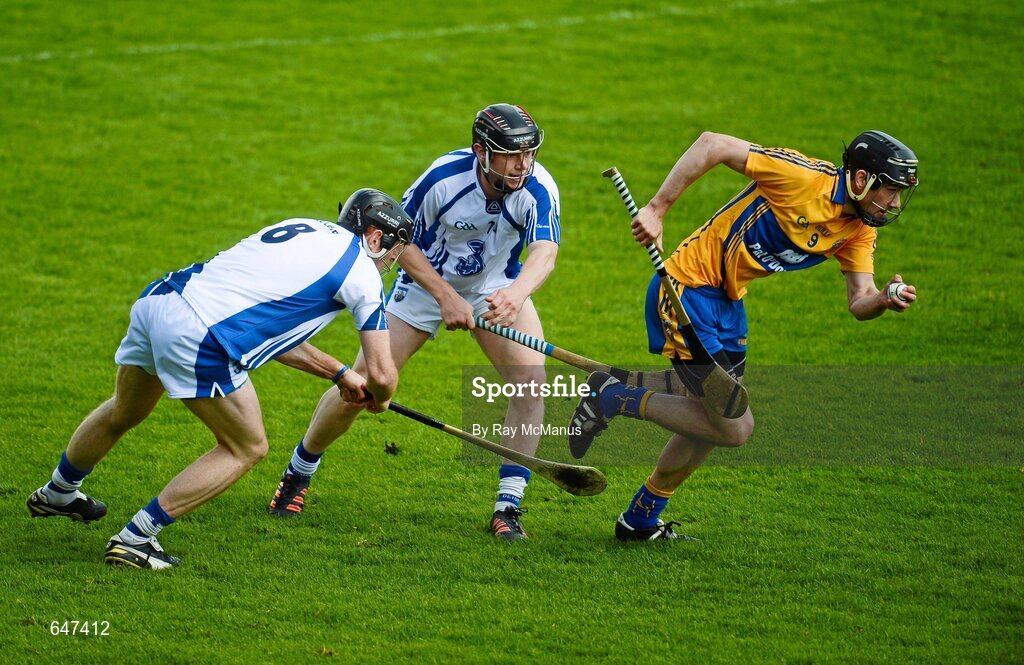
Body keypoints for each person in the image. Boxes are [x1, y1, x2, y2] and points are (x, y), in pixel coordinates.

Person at [27, 189, 413, 568]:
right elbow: (380, 372)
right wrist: (379, 398)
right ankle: (137, 539)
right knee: (246, 446)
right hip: (200, 336)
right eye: (392, 256)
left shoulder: (303, 227)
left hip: (159, 302)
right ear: (376, 237)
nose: (389, 266)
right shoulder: (361, 273)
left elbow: (266, 331)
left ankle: (58, 492)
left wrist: (340, 372)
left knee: (124, 410)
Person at [569, 130, 920, 541]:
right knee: (734, 426)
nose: (895, 203)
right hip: (687, 292)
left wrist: (882, 299)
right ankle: (611, 397)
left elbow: (859, 300)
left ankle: (639, 519)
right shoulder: (802, 178)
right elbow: (712, 144)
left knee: (708, 419)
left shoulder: (859, 228)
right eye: (891, 191)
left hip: (729, 305)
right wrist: (657, 209)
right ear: (861, 179)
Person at [268, 104, 560, 541]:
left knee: (530, 384)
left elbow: (545, 252)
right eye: (510, 154)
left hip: (497, 288)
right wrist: (444, 296)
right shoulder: (444, 179)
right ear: (482, 151)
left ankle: (508, 507)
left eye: (528, 153)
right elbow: (397, 239)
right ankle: (299, 471)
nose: (522, 164)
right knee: (361, 385)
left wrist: (515, 295)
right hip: (425, 286)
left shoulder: (538, 187)